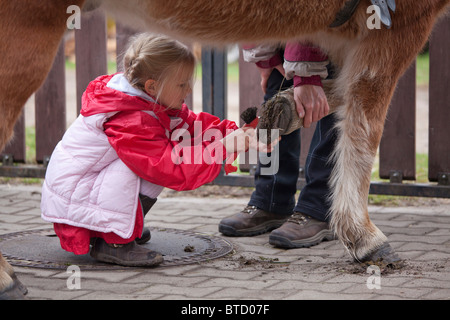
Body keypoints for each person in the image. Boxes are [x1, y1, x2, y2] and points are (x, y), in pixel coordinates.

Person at [40, 33, 268, 267]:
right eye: (181, 84)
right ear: (152, 86)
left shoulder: (143, 99)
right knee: (145, 165)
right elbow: (170, 166)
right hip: (75, 199)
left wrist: (235, 134)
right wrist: (223, 148)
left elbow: (191, 127)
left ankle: (122, 226)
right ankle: (113, 242)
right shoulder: (129, 118)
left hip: (83, 191)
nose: (188, 89)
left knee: (153, 158)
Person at [219, 42, 338, 249]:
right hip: (288, 38)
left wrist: (307, 74)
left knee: (335, 98)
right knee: (277, 89)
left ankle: (320, 207)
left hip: (332, 32)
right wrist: (267, 59)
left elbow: (308, 15)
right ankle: (272, 200)